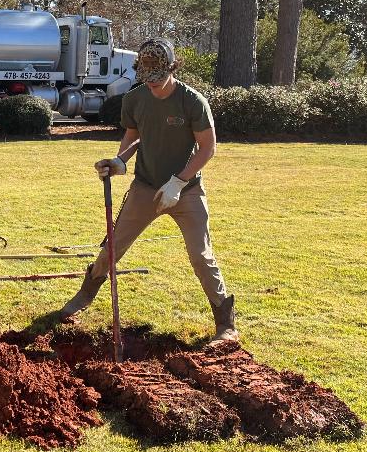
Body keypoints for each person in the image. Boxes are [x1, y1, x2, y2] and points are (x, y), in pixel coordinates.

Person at [60, 38, 238, 343]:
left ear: (172, 68)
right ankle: (83, 298)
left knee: (200, 255)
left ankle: (225, 324)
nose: (152, 84)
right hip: (145, 187)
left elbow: (208, 149)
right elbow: (134, 136)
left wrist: (179, 182)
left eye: (157, 78)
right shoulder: (136, 99)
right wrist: (120, 160)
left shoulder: (192, 101)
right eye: (147, 78)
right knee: (112, 248)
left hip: (187, 190)